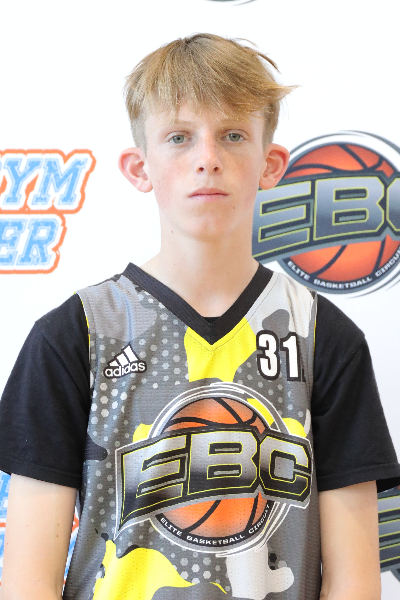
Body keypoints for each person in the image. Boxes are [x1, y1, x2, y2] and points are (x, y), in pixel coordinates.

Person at [0, 33, 399, 600]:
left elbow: (354, 580)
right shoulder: (75, 334)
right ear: (139, 167)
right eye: (179, 137)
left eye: (233, 135)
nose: (207, 158)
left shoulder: (322, 336)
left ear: (271, 164)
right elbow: (27, 582)